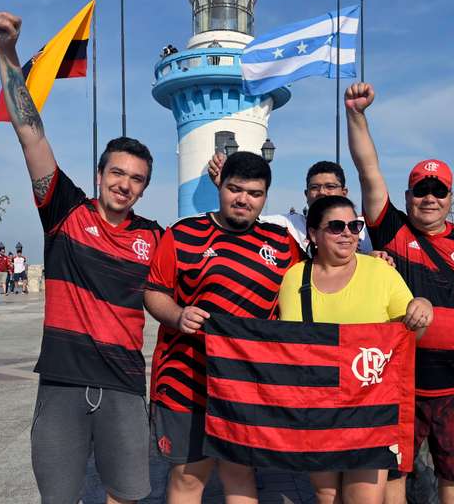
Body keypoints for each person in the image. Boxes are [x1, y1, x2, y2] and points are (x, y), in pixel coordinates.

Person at [0, 11, 163, 504]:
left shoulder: (154, 235)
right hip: (63, 381)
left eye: (136, 179)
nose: (124, 184)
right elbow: (30, 133)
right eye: (117, 172)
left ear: (145, 187)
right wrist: (7, 54)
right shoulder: (64, 211)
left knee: (126, 495)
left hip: (126, 385)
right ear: (100, 172)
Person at [345, 82, 454, 504]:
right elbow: (367, 170)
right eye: (421, 190)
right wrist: (357, 115)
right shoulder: (391, 229)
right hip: (400, 379)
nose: (429, 198)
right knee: (395, 470)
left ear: (450, 197)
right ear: (408, 195)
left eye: (439, 190)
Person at [145, 151, 305, 504]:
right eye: (235, 189)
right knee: (188, 477)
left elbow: (322, 278)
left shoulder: (282, 244)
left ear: (265, 196)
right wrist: (177, 315)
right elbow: (154, 292)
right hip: (185, 380)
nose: (244, 199)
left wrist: (375, 261)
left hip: (247, 384)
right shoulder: (183, 234)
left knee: (239, 473)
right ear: (220, 185)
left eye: (254, 193)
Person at [277, 195, 433, 504]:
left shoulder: (381, 272)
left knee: (363, 498)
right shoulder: (294, 277)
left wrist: (422, 308)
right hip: (316, 411)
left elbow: (412, 334)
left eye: (355, 226)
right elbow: (287, 347)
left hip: (370, 410)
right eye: (336, 226)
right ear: (312, 234)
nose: (348, 233)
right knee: (327, 496)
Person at [209, 155, 375, 253]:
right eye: (314, 187)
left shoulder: (361, 229)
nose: (322, 192)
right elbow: (245, 216)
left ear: (344, 192)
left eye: (330, 186)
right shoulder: (288, 224)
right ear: (306, 194)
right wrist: (225, 188)